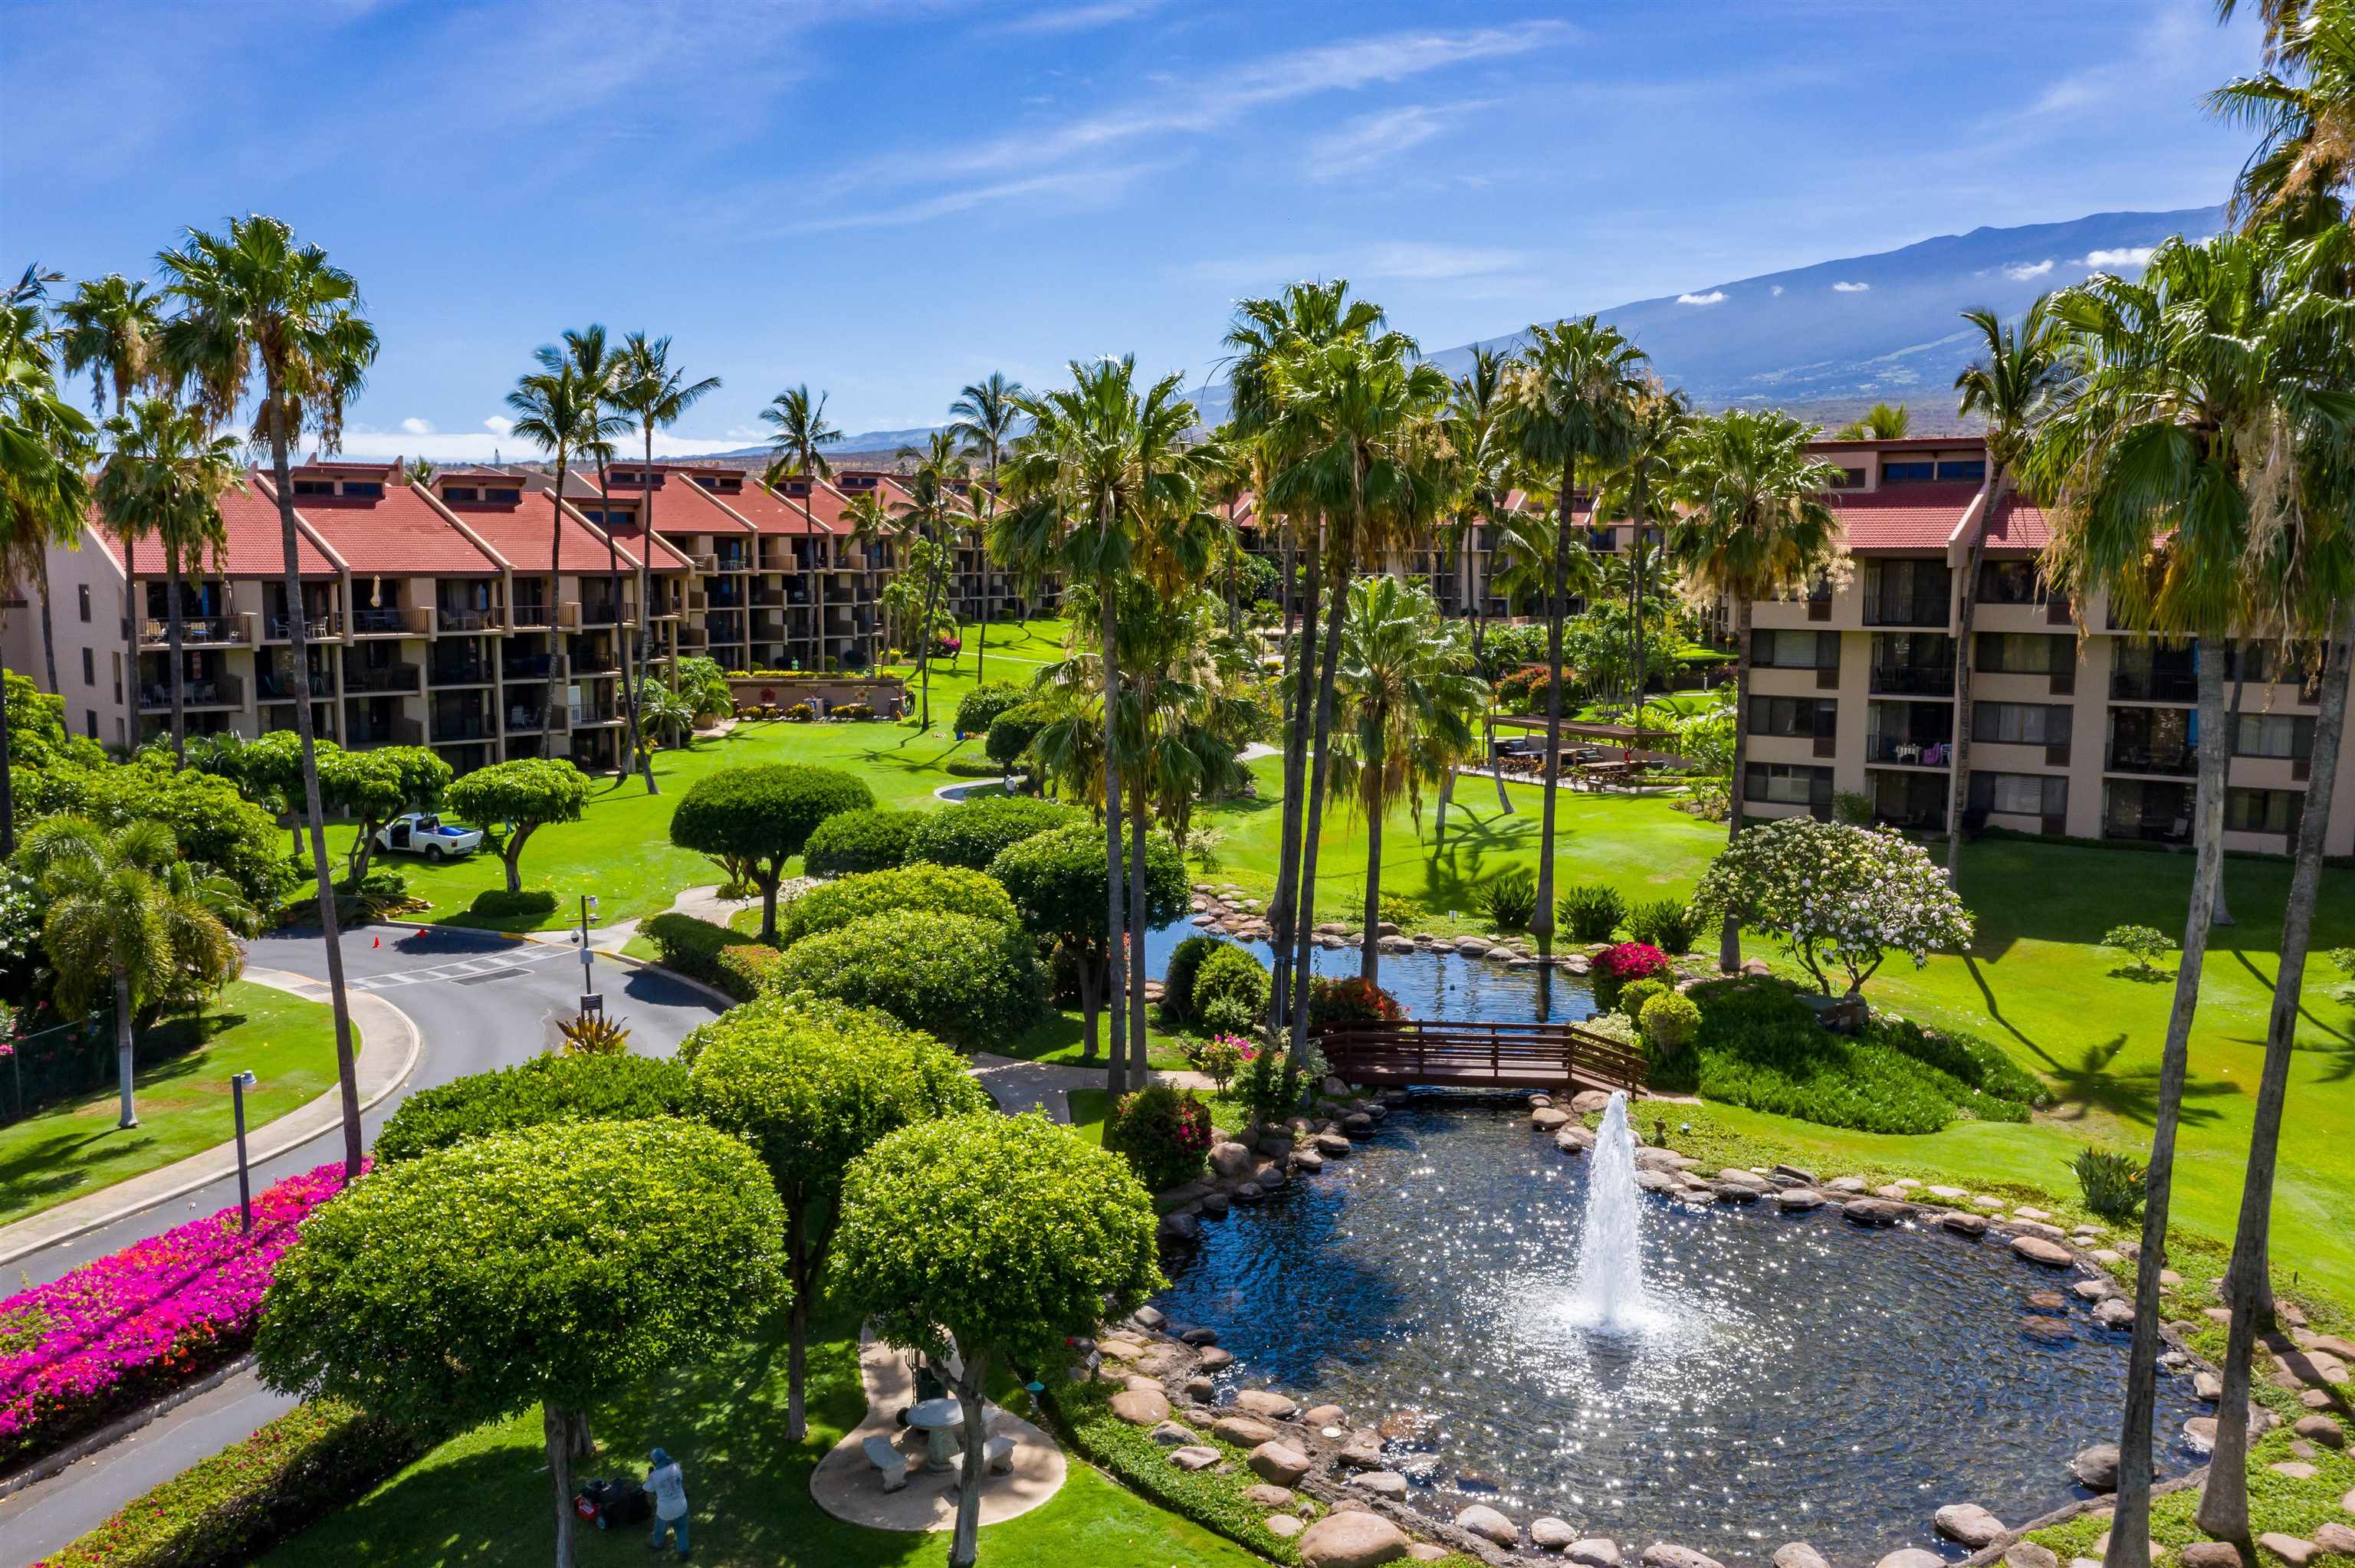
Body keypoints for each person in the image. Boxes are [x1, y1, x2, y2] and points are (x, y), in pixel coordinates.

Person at [645, 1447, 690, 1559]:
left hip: (665, 1510)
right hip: (681, 1505)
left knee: (660, 1527)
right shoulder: (676, 1467)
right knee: (682, 1528)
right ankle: (683, 1552)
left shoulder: (654, 1476)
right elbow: (679, 1481)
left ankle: (657, 1544)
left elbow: (648, 1489)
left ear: (654, 1461)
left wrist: (650, 1476)